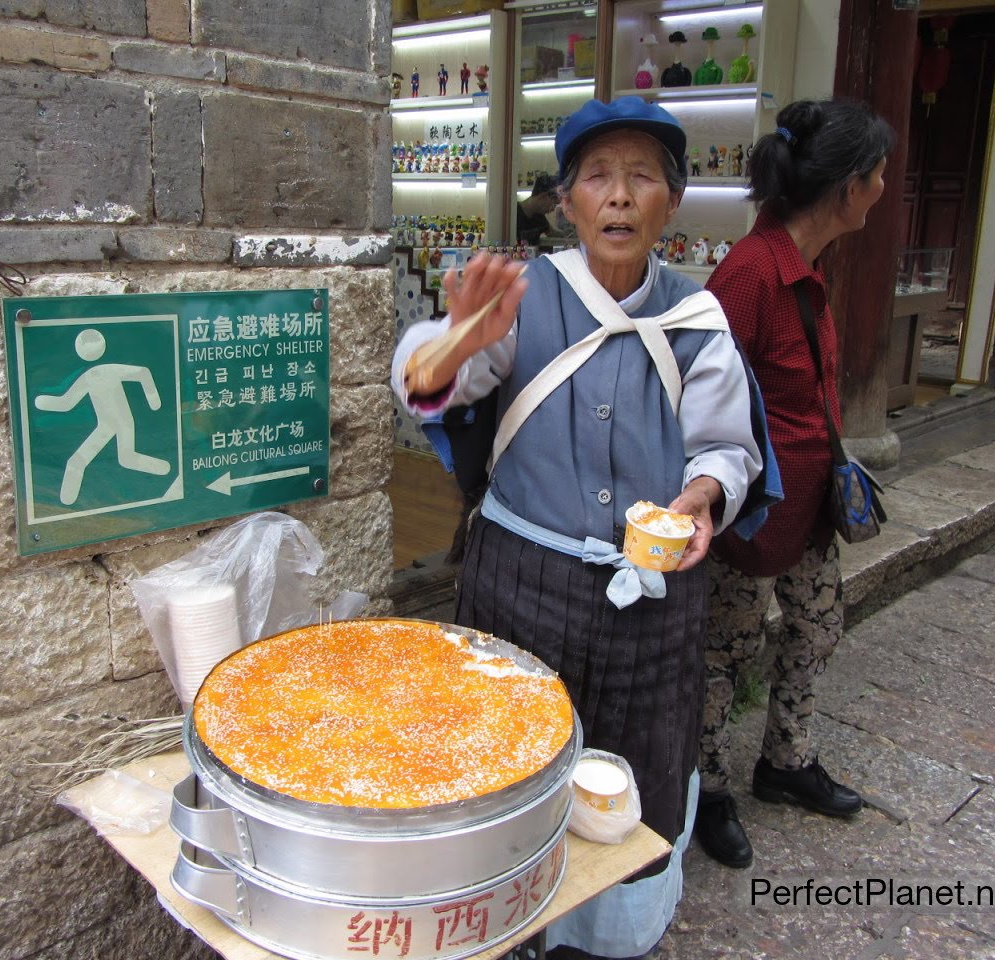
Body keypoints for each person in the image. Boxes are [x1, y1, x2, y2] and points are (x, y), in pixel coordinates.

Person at [392, 96, 764, 958]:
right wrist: (448, 344)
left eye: (643, 178)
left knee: (634, 769)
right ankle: (505, 927)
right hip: (522, 584)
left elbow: (727, 446)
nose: (621, 197)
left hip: (653, 601)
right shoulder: (523, 299)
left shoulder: (699, 321)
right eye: (598, 177)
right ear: (568, 203)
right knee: (507, 766)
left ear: (674, 201)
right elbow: (435, 376)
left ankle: (609, 936)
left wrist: (703, 495)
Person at [695, 98, 896, 869]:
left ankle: (785, 761)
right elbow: (704, 394)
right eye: (876, 177)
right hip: (753, 511)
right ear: (847, 188)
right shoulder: (749, 274)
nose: (881, 189)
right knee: (726, 651)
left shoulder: (807, 263)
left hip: (812, 504)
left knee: (816, 628)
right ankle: (708, 789)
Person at [516, 172, 558, 245]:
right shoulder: (514, 213)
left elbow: (553, 234)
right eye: (554, 204)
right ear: (543, 196)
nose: (553, 209)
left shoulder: (539, 216)